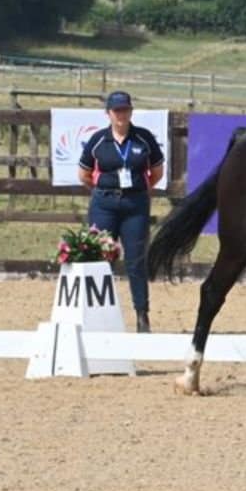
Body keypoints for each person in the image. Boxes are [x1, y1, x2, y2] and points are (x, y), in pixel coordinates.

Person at [78, 91, 164, 332]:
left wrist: (138, 190)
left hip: (135, 205)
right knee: (99, 258)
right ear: (108, 113)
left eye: (125, 110)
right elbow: (84, 174)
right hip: (104, 204)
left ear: (131, 111)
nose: (121, 115)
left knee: (136, 260)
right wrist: (103, 190)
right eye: (117, 111)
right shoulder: (97, 140)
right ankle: (95, 315)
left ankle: (142, 315)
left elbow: (156, 172)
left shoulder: (143, 139)